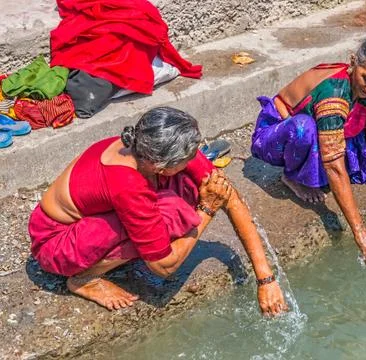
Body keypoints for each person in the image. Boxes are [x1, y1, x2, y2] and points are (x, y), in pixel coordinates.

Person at [29, 106, 287, 315]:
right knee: (176, 210)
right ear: (161, 166)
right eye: (187, 160)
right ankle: (83, 279)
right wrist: (206, 209)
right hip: (57, 244)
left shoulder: (157, 147)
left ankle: (138, 244)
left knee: (189, 189)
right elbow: (163, 268)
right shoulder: (128, 185)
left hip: (102, 214)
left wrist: (266, 279)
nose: (195, 159)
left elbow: (230, 198)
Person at [251, 34, 366, 263]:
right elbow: (335, 167)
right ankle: (291, 176)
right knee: (304, 129)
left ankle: (312, 166)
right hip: (278, 134)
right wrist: (360, 233)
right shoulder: (333, 93)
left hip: (327, 127)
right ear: (353, 62)